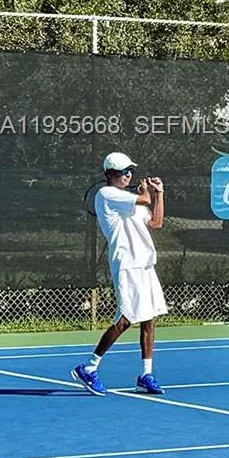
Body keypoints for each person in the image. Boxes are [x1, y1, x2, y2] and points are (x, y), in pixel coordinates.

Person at [73, 152, 168, 395]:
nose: (128, 176)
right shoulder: (106, 194)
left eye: (130, 171)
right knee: (126, 318)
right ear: (110, 174)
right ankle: (89, 368)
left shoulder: (130, 200)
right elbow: (143, 199)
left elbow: (156, 223)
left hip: (145, 264)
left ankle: (146, 375)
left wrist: (159, 193)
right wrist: (146, 192)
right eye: (123, 172)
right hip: (126, 264)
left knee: (149, 318)